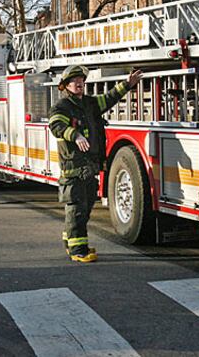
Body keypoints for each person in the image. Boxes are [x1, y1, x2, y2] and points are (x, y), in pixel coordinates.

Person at [48, 65, 143, 263]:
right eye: (74, 81)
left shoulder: (89, 104)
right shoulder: (62, 107)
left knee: (87, 206)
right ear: (65, 86)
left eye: (81, 80)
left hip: (89, 166)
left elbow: (108, 98)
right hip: (73, 167)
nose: (79, 84)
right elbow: (56, 126)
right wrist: (75, 135)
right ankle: (78, 250)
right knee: (77, 208)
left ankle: (71, 240)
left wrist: (127, 85)